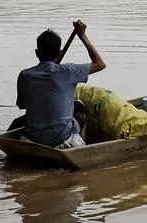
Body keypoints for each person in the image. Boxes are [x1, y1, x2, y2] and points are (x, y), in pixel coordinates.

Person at [13, 20, 106, 148]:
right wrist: (82, 35)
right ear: (60, 53)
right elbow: (100, 64)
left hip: (34, 136)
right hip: (62, 136)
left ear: (37, 53)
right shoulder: (68, 71)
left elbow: (22, 105)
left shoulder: (24, 75)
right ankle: (79, 144)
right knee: (79, 106)